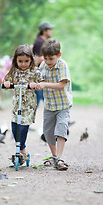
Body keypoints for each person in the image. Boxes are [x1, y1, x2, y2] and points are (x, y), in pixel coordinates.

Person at [36, 39, 72, 170]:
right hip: (49, 105)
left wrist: (44, 84)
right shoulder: (43, 66)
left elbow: (62, 85)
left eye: (51, 58)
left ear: (59, 55)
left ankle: (60, 158)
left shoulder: (62, 65)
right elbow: (39, 79)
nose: (48, 61)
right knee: (47, 131)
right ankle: (54, 155)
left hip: (63, 105)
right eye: (45, 58)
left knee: (61, 128)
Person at [3, 44, 43, 162]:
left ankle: (20, 151)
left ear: (31, 60)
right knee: (14, 127)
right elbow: (6, 81)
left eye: (26, 61)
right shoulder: (14, 71)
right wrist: (6, 84)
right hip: (17, 103)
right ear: (15, 60)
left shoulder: (35, 71)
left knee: (24, 127)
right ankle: (22, 151)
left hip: (29, 104)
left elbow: (42, 83)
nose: (23, 64)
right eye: (20, 61)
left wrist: (36, 85)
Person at [33, 21, 55, 107]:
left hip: (43, 74)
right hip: (39, 75)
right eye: (50, 29)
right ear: (44, 31)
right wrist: (52, 59)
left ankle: (62, 118)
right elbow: (38, 58)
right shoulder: (39, 42)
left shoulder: (44, 41)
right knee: (41, 98)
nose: (51, 31)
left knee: (45, 98)